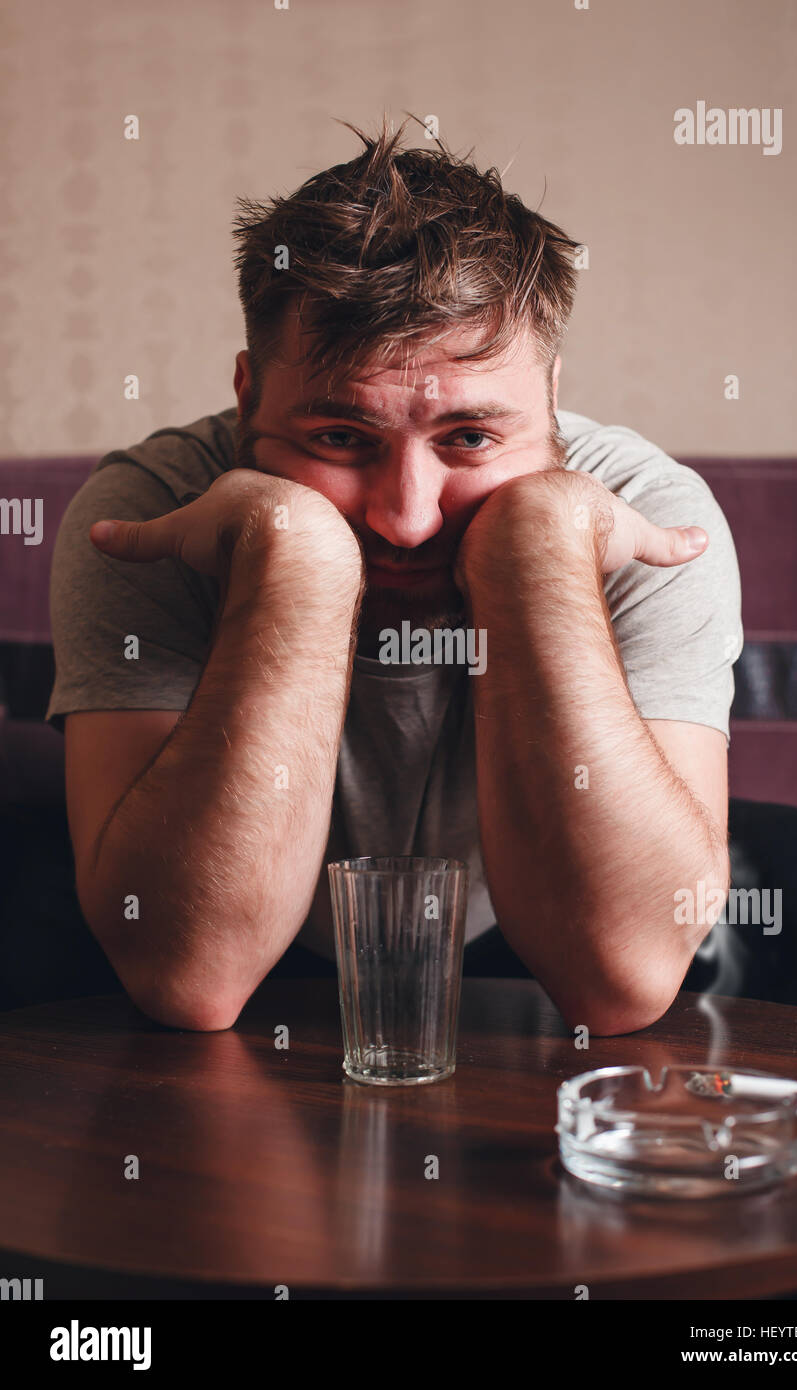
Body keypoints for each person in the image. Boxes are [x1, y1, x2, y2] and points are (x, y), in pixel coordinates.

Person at [46, 119, 743, 1034]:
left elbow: (621, 979)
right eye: (340, 439)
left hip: (540, 936)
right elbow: (191, 973)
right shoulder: (155, 505)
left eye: (471, 438)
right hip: (267, 956)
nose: (405, 517)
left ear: (552, 400)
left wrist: (539, 545)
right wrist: (293, 553)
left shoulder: (648, 509)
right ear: (248, 394)